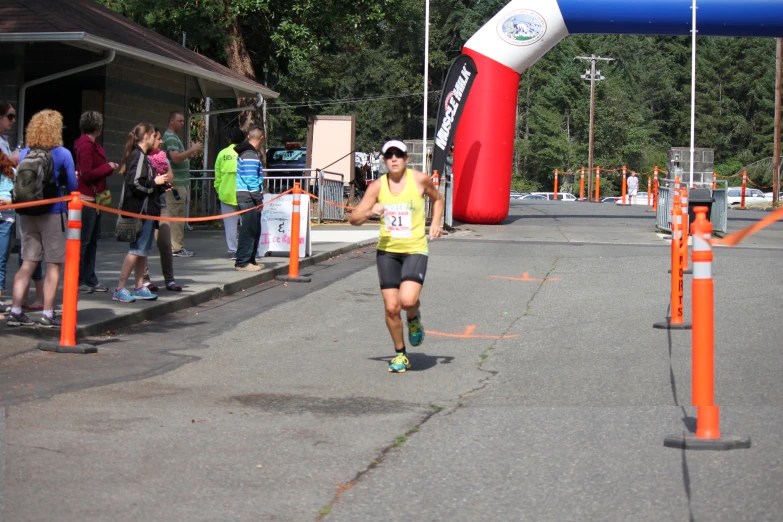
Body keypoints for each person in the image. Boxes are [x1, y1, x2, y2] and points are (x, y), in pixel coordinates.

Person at [349, 139, 444, 373]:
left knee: (407, 301)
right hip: (388, 251)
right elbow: (354, 219)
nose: (394, 159)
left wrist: (436, 223)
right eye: (389, 155)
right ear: (383, 160)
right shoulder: (377, 187)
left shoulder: (420, 179)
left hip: (414, 248)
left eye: (398, 155)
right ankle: (401, 354)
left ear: (406, 159)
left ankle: (413, 318)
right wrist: (370, 211)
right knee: (392, 307)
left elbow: (438, 199)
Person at [7, 110, 77, 328]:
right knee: (53, 265)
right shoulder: (63, 153)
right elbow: (74, 187)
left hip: (28, 213)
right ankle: (48, 314)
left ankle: (16, 311)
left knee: (27, 263)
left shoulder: (26, 152)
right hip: (53, 213)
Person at [112, 123, 168, 303]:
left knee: (143, 251)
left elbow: (143, 182)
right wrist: (154, 183)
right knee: (135, 251)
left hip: (148, 211)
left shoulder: (143, 157)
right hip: (140, 212)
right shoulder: (138, 156)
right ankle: (120, 288)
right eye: (155, 136)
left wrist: (159, 185)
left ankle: (139, 286)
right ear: (147, 136)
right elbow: (135, 183)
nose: (157, 140)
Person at [74, 111, 118, 294]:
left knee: (92, 241)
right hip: (86, 199)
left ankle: (90, 277)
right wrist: (108, 167)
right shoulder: (85, 146)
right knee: (84, 242)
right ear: (97, 127)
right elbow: (87, 173)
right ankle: (79, 279)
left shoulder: (92, 145)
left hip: (95, 197)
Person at [142, 127, 182, 292]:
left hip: (162, 205)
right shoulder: (141, 157)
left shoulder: (162, 157)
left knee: (165, 243)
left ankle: (170, 280)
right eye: (158, 138)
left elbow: (170, 178)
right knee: (143, 245)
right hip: (145, 205)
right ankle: (144, 280)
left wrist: (162, 174)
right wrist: (155, 180)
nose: (161, 141)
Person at [162, 111, 202, 258]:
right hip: (176, 184)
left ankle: (176, 246)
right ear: (171, 121)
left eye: (183, 121)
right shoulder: (171, 137)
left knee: (178, 214)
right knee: (176, 215)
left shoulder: (174, 137)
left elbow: (179, 156)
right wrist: (192, 149)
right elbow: (175, 158)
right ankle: (176, 248)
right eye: (180, 121)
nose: (183, 123)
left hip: (179, 182)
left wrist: (190, 153)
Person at [234, 125, 265, 272]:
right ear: (262, 139)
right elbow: (251, 180)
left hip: (247, 195)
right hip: (248, 197)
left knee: (254, 229)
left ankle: (250, 259)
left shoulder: (246, 154)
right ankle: (242, 262)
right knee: (248, 230)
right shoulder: (250, 155)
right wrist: (258, 200)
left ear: (248, 137)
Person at [214, 128, 244, 260]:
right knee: (247, 225)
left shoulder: (222, 154)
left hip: (225, 193)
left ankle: (233, 250)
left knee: (230, 225)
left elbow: (217, 175)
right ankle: (246, 249)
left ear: (229, 139)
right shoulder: (245, 152)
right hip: (244, 193)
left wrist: (218, 190)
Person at [0, 151, 15, 318]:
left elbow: (19, 194)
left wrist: (11, 200)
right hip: (6, 219)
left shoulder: (11, 171)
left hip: (6, 219)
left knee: (1, 261)